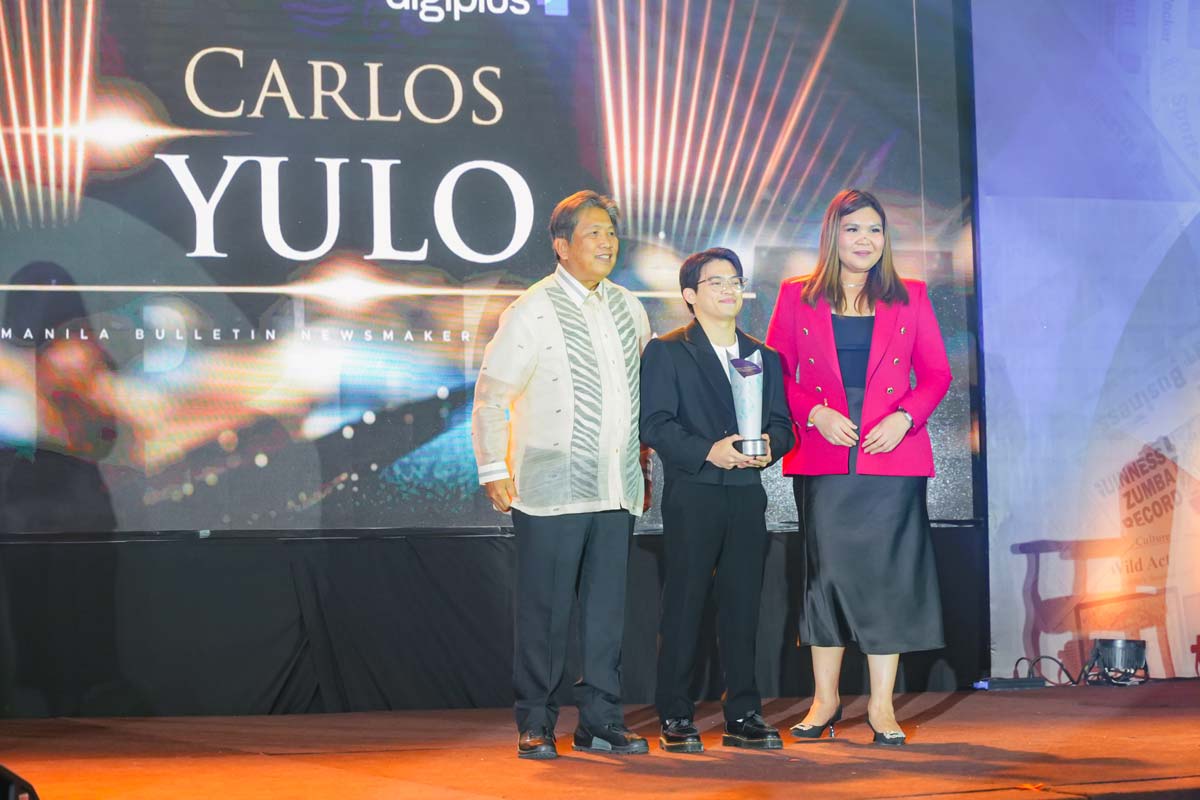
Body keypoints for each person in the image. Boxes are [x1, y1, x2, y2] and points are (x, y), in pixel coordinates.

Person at [765, 189, 952, 745]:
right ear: (833, 235)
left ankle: (880, 707)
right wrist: (814, 412)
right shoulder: (796, 295)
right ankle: (824, 702)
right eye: (853, 230)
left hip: (890, 457)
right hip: (826, 455)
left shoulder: (910, 295)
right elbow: (778, 371)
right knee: (826, 580)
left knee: (886, 581)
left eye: (874, 230)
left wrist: (905, 419)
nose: (865, 240)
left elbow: (937, 375)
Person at [472, 190, 652, 760]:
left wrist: (643, 459)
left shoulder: (629, 306)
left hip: (615, 485)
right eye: (593, 232)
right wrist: (493, 466)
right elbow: (492, 395)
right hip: (549, 489)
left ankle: (600, 722)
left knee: (605, 616)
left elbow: (643, 394)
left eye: (611, 233)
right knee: (544, 613)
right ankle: (536, 721)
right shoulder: (532, 309)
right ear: (562, 245)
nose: (606, 242)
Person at [641, 247, 793, 753]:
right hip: (694, 494)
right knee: (683, 604)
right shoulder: (668, 351)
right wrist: (709, 452)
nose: (730, 290)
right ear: (690, 295)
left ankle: (744, 713)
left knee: (743, 606)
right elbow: (656, 424)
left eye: (735, 281)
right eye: (715, 282)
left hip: (747, 497)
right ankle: (677, 714)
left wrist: (770, 447)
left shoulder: (764, 354)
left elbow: (782, 425)